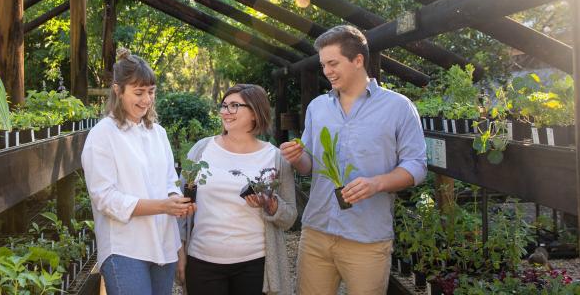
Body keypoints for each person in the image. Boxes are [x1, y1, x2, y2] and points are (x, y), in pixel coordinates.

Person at [280, 25, 427, 294]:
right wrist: (297, 157)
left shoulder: (398, 107)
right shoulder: (318, 107)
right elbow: (310, 164)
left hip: (367, 238)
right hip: (317, 231)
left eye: (333, 63)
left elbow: (416, 166)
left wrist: (376, 184)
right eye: (324, 64)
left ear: (358, 60)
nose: (326, 71)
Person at [81, 48, 194, 295]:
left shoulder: (158, 133)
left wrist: (175, 200)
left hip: (163, 243)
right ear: (117, 90)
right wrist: (161, 206)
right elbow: (104, 198)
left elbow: (169, 181)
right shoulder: (102, 135)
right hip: (125, 247)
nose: (146, 99)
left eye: (151, 92)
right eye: (139, 92)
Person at [179, 84, 296, 295]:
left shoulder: (276, 157)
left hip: (254, 264)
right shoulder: (201, 150)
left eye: (234, 106)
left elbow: (290, 218)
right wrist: (180, 252)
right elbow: (180, 206)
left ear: (254, 112)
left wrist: (271, 204)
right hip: (203, 261)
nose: (225, 111)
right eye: (224, 106)